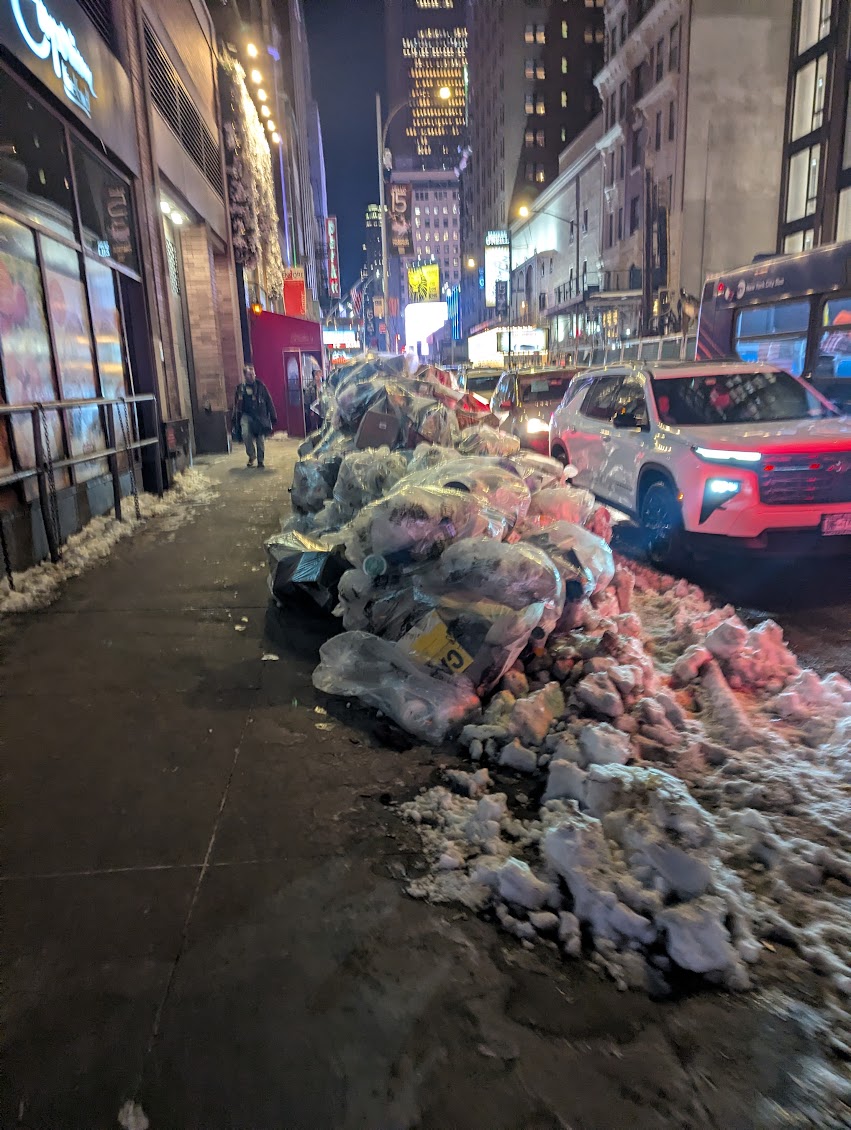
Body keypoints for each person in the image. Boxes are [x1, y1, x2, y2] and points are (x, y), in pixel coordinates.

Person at [232, 364, 276, 467]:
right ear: (245, 376)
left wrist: (273, 415)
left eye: (253, 374)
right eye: (249, 374)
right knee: (245, 434)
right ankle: (252, 455)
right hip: (246, 415)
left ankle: (260, 460)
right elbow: (236, 405)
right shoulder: (240, 388)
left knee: (260, 439)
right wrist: (234, 419)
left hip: (259, 415)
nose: (252, 376)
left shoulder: (261, 386)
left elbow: (268, 400)